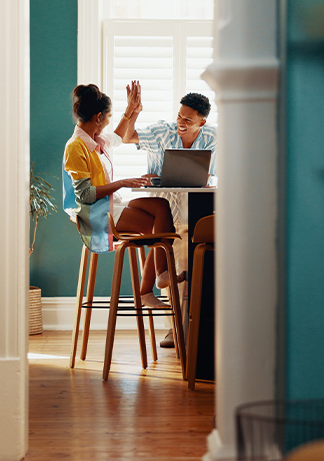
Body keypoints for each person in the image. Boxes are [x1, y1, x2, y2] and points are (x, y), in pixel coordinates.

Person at [114, 84, 215, 347]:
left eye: (188, 120)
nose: (181, 123)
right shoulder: (163, 131)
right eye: (180, 116)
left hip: (196, 207)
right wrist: (132, 112)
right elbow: (126, 137)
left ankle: (193, 324)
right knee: (178, 252)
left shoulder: (215, 138)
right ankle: (175, 327)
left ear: (202, 122)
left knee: (194, 253)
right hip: (163, 205)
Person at [63, 82, 176, 308]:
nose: (108, 122)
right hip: (97, 214)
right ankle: (150, 285)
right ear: (98, 117)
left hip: (112, 205)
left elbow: (117, 137)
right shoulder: (76, 147)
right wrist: (123, 182)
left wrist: (130, 111)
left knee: (161, 207)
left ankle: (159, 275)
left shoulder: (96, 141)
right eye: (108, 117)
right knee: (159, 227)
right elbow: (85, 195)